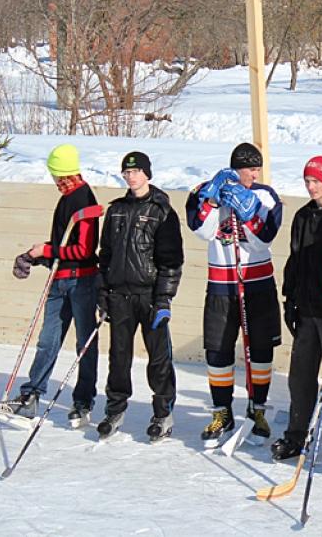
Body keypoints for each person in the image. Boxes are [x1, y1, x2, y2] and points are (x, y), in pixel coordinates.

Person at [0, 144, 101, 427]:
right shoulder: (67, 198)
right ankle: (30, 398)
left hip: (82, 282)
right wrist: (34, 255)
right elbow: (63, 244)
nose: (56, 180)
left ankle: (83, 401)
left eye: (57, 175)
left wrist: (47, 251)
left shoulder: (85, 200)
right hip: (60, 280)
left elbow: (85, 250)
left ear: (66, 173)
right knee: (47, 341)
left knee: (84, 344)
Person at [185, 142, 283, 447]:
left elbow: (263, 238)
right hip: (222, 283)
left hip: (257, 283)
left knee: (261, 350)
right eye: (249, 169)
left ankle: (258, 410)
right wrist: (212, 199)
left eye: (257, 169)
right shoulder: (210, 190)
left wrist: (248, 208)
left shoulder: (264, 195)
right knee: (217, 350)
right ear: (234, 168)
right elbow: (200, 229)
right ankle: (222, 412)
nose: (254, 174)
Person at [95, 152, 183, 441]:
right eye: (126, 172)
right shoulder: (116, 210)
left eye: (136, 171)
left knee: (158, 359)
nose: (131, 177)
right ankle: (114, 410)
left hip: (149, 296)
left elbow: (171, 261)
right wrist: (103, 290)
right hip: (120, 295)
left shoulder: (162, 211)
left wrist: (164, 300)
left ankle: (162, 413)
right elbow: (105, 254)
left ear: (147, 174)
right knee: (118, 356)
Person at [271, 156, 322, 461]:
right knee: (300, 376)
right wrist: (289, 299)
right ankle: (296, 433)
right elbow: (295, 260)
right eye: (307, 181)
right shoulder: (303, 216)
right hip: (305, 310)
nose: (311, 186)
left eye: (316, 180)